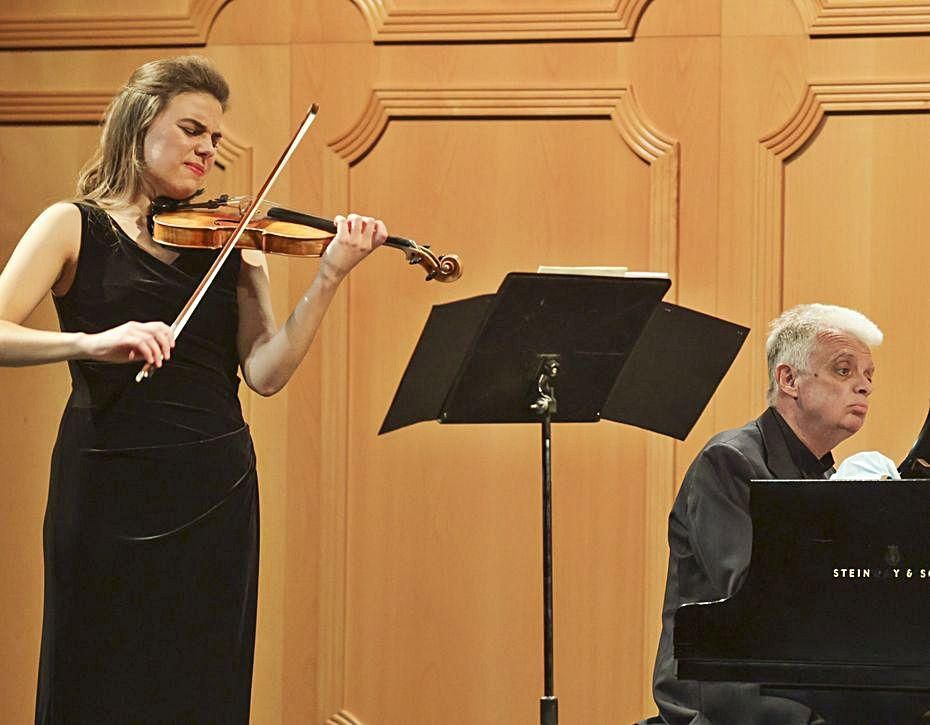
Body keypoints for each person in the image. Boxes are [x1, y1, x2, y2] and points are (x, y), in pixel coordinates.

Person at [0, 55, 387, 724]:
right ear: (141, 124)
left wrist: (329, 277)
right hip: (105, 490)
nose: (208, 150)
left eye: (214, 138)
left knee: (201, 688)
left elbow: (264, 371)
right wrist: (88, 342)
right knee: (96, 680)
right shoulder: (71, 225)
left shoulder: (234, 238)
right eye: (191, 130)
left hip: (214, 493)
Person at [651, 303, 883, 725]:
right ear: (789, 379)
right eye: (844, 371)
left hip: (796, 681)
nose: (864, 387)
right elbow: (752, 605)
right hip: (728, 696)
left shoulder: (827, 477)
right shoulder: (730, 462)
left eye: (869, 376)